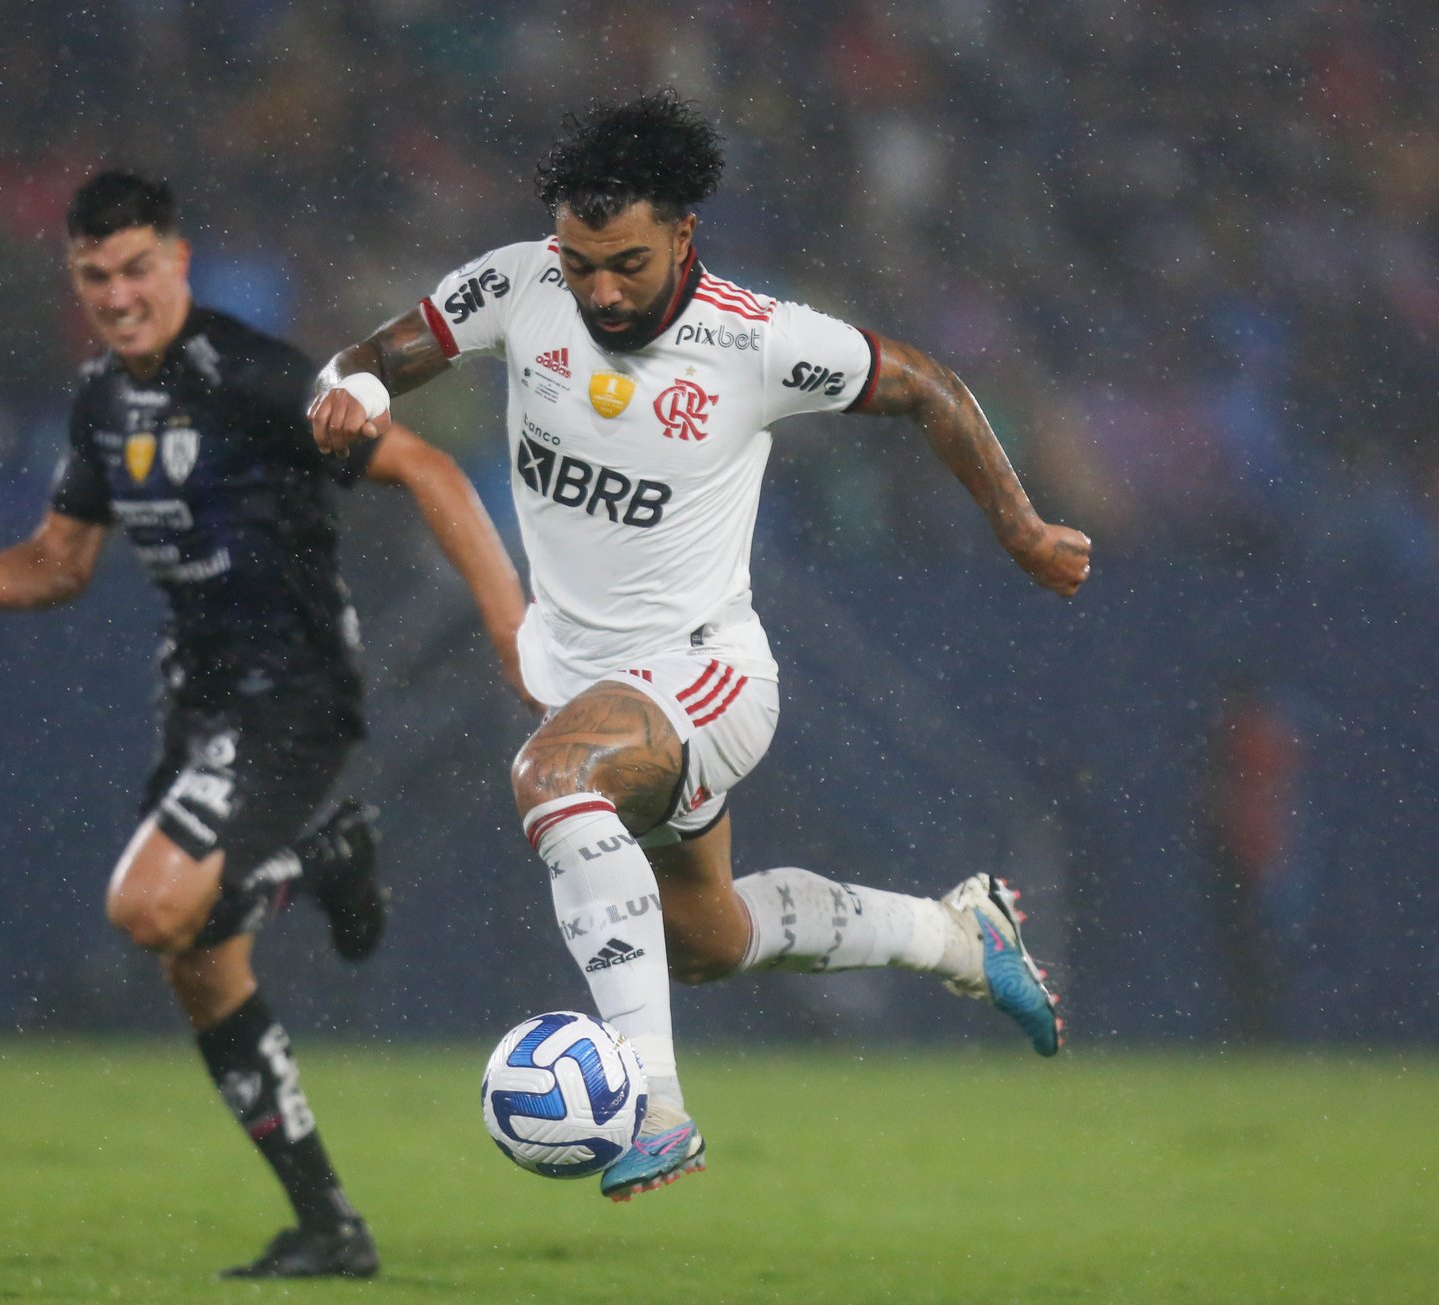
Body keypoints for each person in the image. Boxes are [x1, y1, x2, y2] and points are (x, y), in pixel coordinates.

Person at [309, 93, 1092, 1203]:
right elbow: (371, 357)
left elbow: (924, 384)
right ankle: (956, 933)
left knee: (549, 777)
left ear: (683, 232)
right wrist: (346, 393)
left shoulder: (756, 340)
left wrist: (1017, 525)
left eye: (624, 262)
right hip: (579, 681)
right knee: (706, 941)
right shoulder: (515, 284)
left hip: (703, 672)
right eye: (580, 265)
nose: (598, 290)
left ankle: (654, 1108)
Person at [0, 170, 527, 1276]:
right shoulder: (102, 400)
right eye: (95, 276)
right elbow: (58, 563)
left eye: (137, 268)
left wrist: (511, 628)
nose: (118, 294)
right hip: (198, 702)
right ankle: (329, 1224)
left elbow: (426, 467)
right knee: (198, 963)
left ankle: (329, 850)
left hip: (288, 694)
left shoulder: (250, 379)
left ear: (178, 264)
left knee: (145, 905)